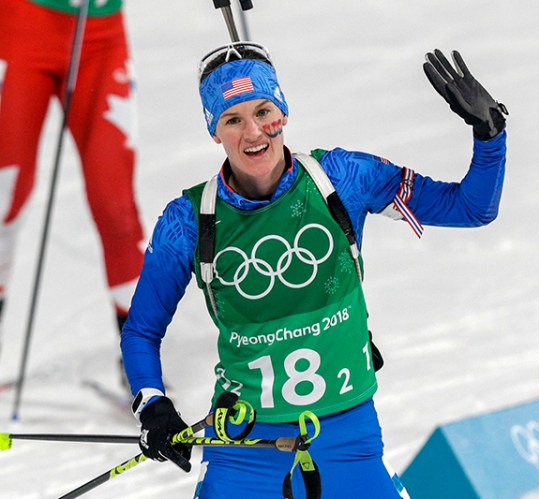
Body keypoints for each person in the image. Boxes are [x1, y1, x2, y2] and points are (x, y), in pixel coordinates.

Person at [121, 42, 508, 498]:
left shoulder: (343, 178)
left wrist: (489, 134)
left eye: (263, 111)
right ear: (215, 132)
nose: (253, 133)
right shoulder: (189, 220)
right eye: (232, 120)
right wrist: (153, 404)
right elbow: (142, 330)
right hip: (245, 439)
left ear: (283, 113)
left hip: (348, 435)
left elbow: (472, 207)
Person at [0, 0, 145, 381]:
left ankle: (138, 361)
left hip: (100, 36)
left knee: (115, 204)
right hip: (20, 27)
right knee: (5, 198)